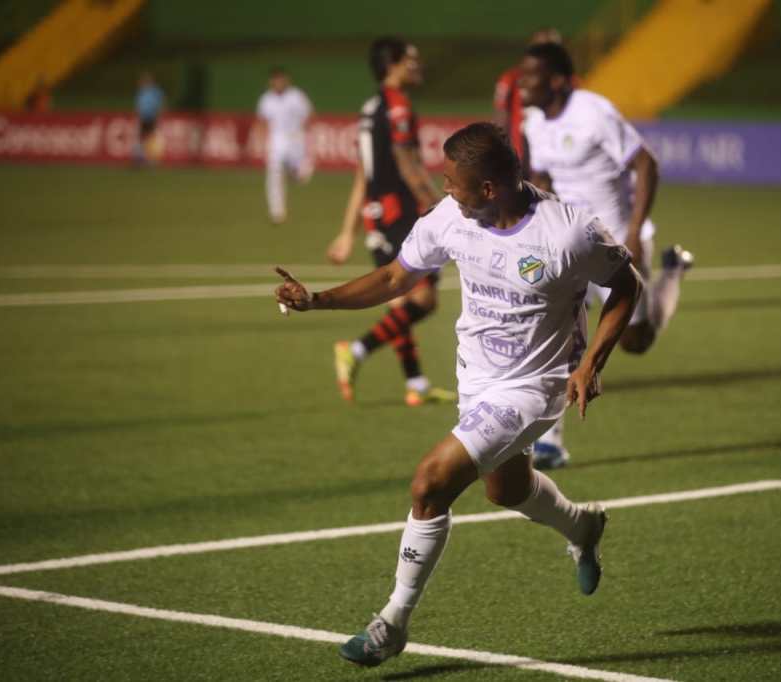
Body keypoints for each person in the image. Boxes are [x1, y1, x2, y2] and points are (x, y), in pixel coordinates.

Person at [275, 122, 642, 668]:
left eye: (453, 182)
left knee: (430, 483)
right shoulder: (451, 218)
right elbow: (397, 277)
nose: (444, 190)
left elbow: (626, 284)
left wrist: (591, 362)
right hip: (477, 379)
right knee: (506, 490)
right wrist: (317, 301)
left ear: (490, 187)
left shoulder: (567, 233)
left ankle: (393, 622)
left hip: (534, 387)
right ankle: (583, 526)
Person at [519, 41, 694, 469]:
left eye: (531, 75)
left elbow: (645, 164)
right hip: (571, 242)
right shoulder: (532, 122)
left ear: (558, 80)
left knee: (636, 341)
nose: (522, 83)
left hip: (617, 242)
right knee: (559, 327)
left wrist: (634, 233)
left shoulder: (593, 111)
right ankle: (549, 440)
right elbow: (543, 176)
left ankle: (672, 270)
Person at [326, 37, 452, 407]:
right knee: (424, 299)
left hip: (376, 215)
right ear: (393, 65)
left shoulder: (369, 108)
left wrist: (348, 230)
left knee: (398, 299)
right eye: (411, 59)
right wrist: (440, 204)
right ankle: (357, 350)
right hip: (400, 214)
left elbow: (363, 174)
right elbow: (407, 163)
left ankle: (416, 383)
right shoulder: (397, 106)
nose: (418, 64)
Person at [493, 27, 563, 165]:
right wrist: (499, 150)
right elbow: (501, 116)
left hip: (559, 156)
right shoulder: (511, 78)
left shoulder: (568, 82)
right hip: (522, 158)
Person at [255, 66, 314, 224]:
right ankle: (277, 211)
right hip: (277, 139)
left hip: (295, 138)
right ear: (271, 82)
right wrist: (259, 140)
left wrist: (308, 139)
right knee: (273, 172)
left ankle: (297, 172)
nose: (278, 82)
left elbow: (308, 116)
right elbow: (262, 121)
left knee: (300, 176)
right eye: (275, 79)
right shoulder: (266, 99)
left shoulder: (296, 96)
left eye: (281, 79)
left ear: (286, 80)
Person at [133, 71, 164, 165]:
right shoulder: (141, 92)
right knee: (141, 138)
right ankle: (139, 158)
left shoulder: (155, 92)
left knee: (151, 138)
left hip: (152, 117)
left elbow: (159, 104)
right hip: (143, 118)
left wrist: (158, 115)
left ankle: (152, 159)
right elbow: (138, 105)